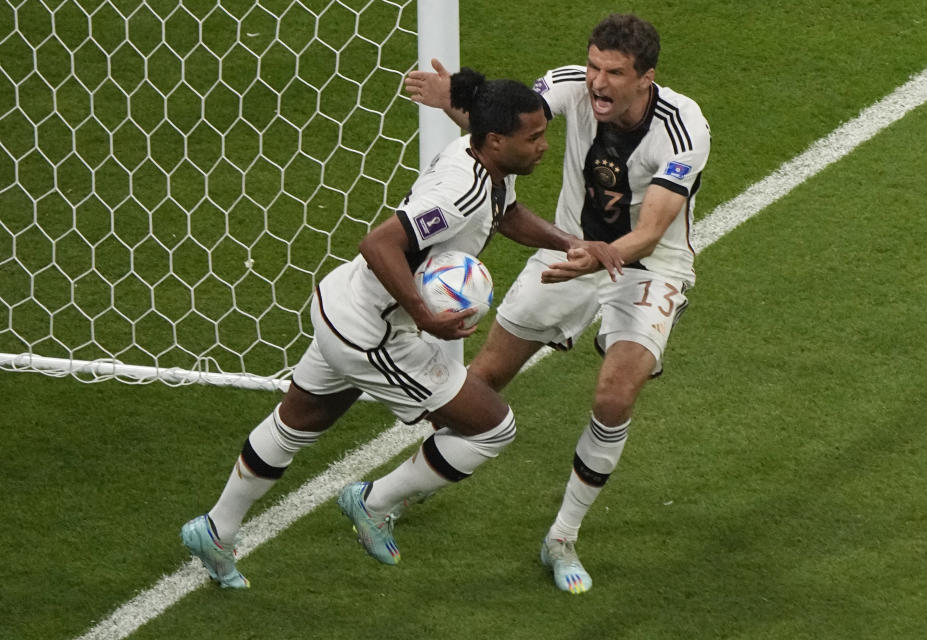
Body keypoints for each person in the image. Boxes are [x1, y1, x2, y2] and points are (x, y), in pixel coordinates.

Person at [179, 68, 621, 588]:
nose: (544, 145)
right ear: (497, 140)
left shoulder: (479, 161)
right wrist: (426, 314)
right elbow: (380, 244)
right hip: (373, 334)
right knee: (492, 427)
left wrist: (570, 241)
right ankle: (374, 502)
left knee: (298, 421)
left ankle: (215, 528)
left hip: (340, 303)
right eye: (534, 137)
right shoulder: (459, 193)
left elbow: (507, 213)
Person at [404, 13, 711, 594]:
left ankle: (561, 537)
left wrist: (599, 256)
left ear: (646, 76)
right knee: (478, 384)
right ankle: (389, 495)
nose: (597, 82)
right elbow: (505, 129)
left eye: (614, 72)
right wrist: (455, 102)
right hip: (569, 248)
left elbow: (649, 232)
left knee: (615, 393)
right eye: (594, 65)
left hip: (647, 265)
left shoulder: (684, 128)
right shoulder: (572, 84)